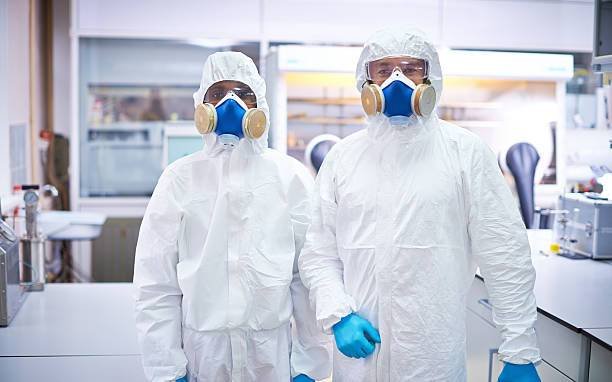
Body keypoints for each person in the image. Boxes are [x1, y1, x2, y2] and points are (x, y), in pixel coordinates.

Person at [298, 27, 542, 382]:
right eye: (383, 71)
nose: (397, 80)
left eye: (410, 69)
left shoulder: (465, 153)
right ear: (366, 80)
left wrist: (520, 350)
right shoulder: (343, 158)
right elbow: (319, 252)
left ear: (431, 77)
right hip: (359, 359)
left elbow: (504, 254)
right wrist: (338, 315)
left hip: (433, 360)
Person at [134, 52, 330, 382]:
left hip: (272, 359)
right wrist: (166, 369)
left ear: (259, 106)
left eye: (242, 94)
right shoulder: (179, 179)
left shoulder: (290, 177)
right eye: (218, 93)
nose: (230, 102)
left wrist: (311, 364)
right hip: (203, 357)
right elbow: (157, 284)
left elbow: (306, 277)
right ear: (202, 105)